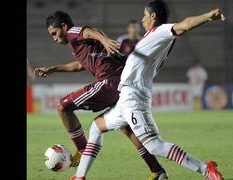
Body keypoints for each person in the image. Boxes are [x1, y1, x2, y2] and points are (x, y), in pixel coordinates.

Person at [70, 0, 226, 180]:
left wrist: (207, 16)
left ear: (153, 16)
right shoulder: (151, 36)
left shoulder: (161, 32)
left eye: (145, 15)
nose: (142, 19)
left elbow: (184, 25)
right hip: (125, 99)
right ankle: (80, 176)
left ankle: (206, 169)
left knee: (154, 146)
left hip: (134, 97)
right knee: (96, 127)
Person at [34, 11, 168, 179]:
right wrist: (52, 69)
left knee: (63, 106)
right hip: (121, 83)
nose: (54, 38)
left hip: (108, 81)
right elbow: (79, 65)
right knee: (125, 127)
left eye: (54, 33)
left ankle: (83, 151)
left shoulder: (72, 32)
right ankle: (156, 170)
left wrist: (103, 39)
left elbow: (89, 31)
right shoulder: (76, 45)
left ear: (63, 26)